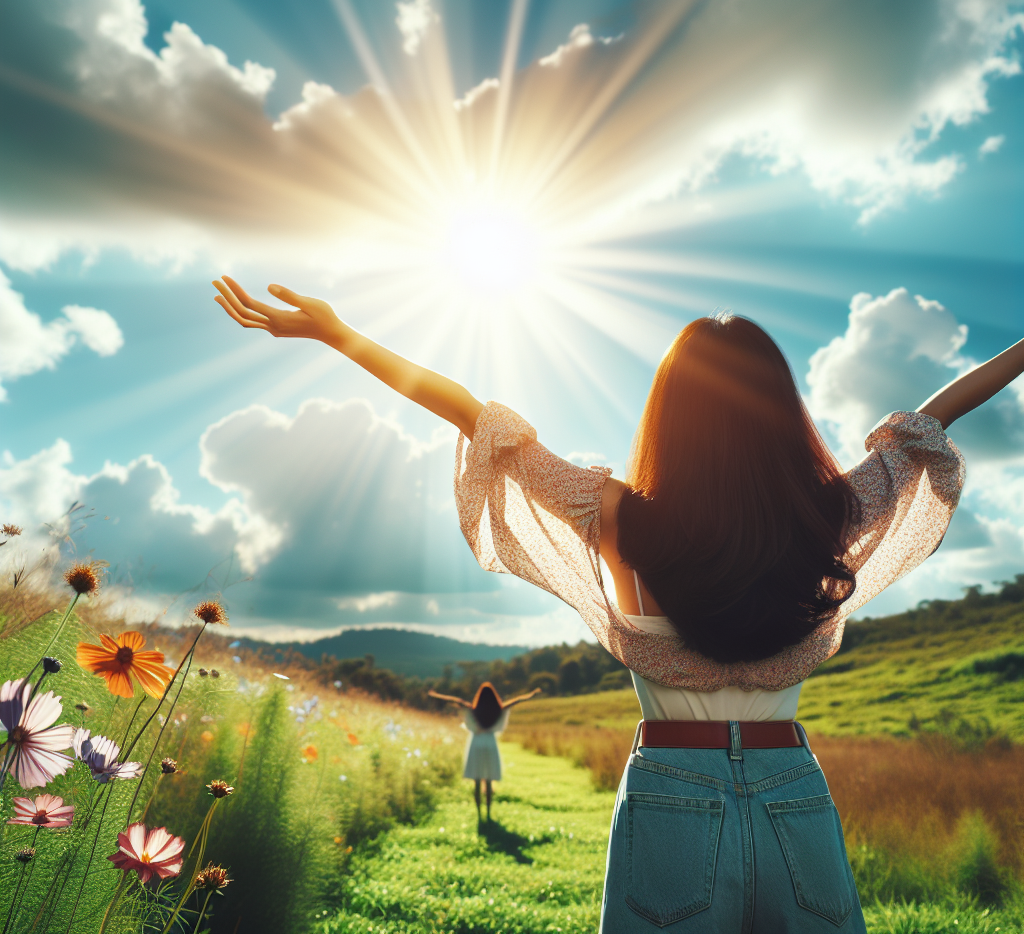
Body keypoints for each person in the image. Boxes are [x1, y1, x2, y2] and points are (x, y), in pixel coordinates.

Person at [213, 275, 1023, 933]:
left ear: (668, 413)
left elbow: (471, 412)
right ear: (782, 410)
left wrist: (337, 335)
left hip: (672, 783)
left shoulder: (614, 517)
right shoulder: (828, 514)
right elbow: (933, 418)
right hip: (793, 788)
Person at [428, 682, 542, 820]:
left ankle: (479, 813)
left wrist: (435, 695)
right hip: (490, 742)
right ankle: (488, 812)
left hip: (476, 743)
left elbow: (456, 700)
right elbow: (516, 701)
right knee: (488, 780)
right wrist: (531, 694)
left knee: (476, 781)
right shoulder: (499, 710)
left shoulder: (472, 709)